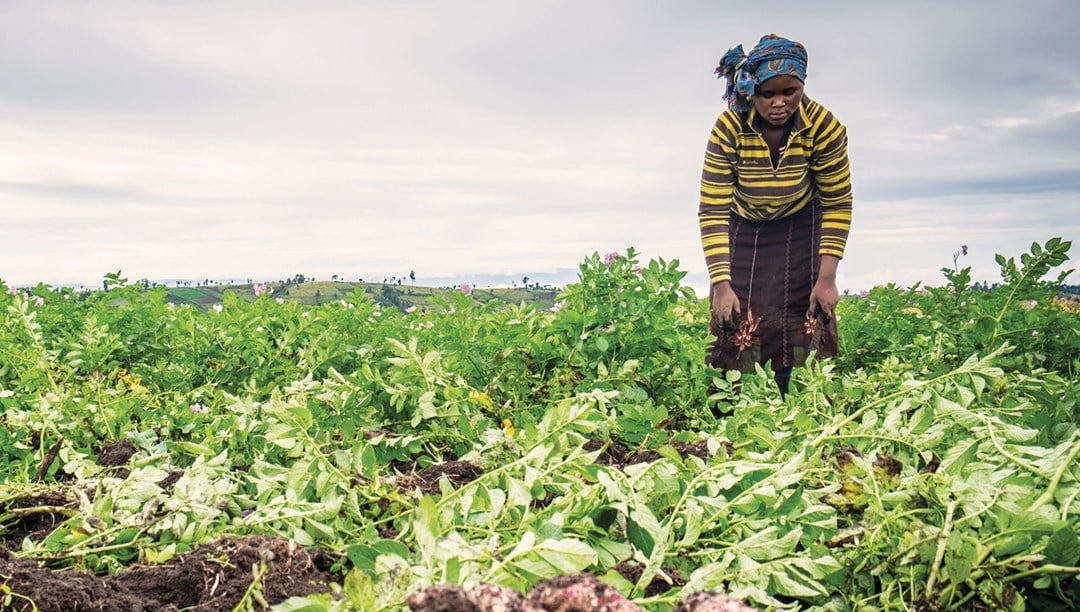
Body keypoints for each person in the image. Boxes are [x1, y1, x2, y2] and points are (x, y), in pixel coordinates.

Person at [699, 33, 853, 396]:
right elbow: (713, 209)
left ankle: (798, 399)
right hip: (743, 225)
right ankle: (728, 404)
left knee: (805, 313)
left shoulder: (824, 127)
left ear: (802, 86)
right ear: (751, 90)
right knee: (734, 315)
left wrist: (827, 277)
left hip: (802, 222)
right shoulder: (729, 129)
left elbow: (837, 202)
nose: (779, 103)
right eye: (768, 94)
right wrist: (721, 285)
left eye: (790, 91)